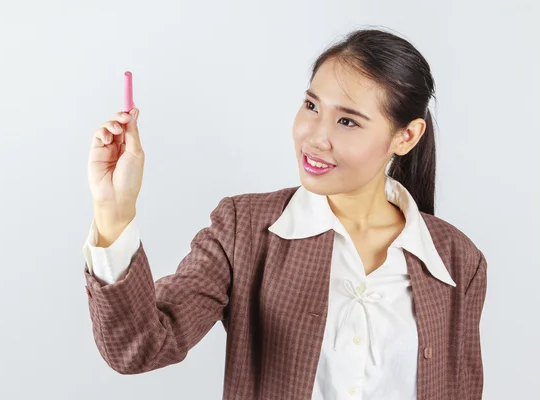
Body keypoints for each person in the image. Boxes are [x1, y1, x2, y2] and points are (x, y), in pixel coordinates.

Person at [83, 28, 487, 400]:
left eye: (347, 121)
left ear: (406, 136)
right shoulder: (244, 229)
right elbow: (139, 348)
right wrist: (113, 214)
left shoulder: (457, 260)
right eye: (311, 105)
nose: (314, 135)